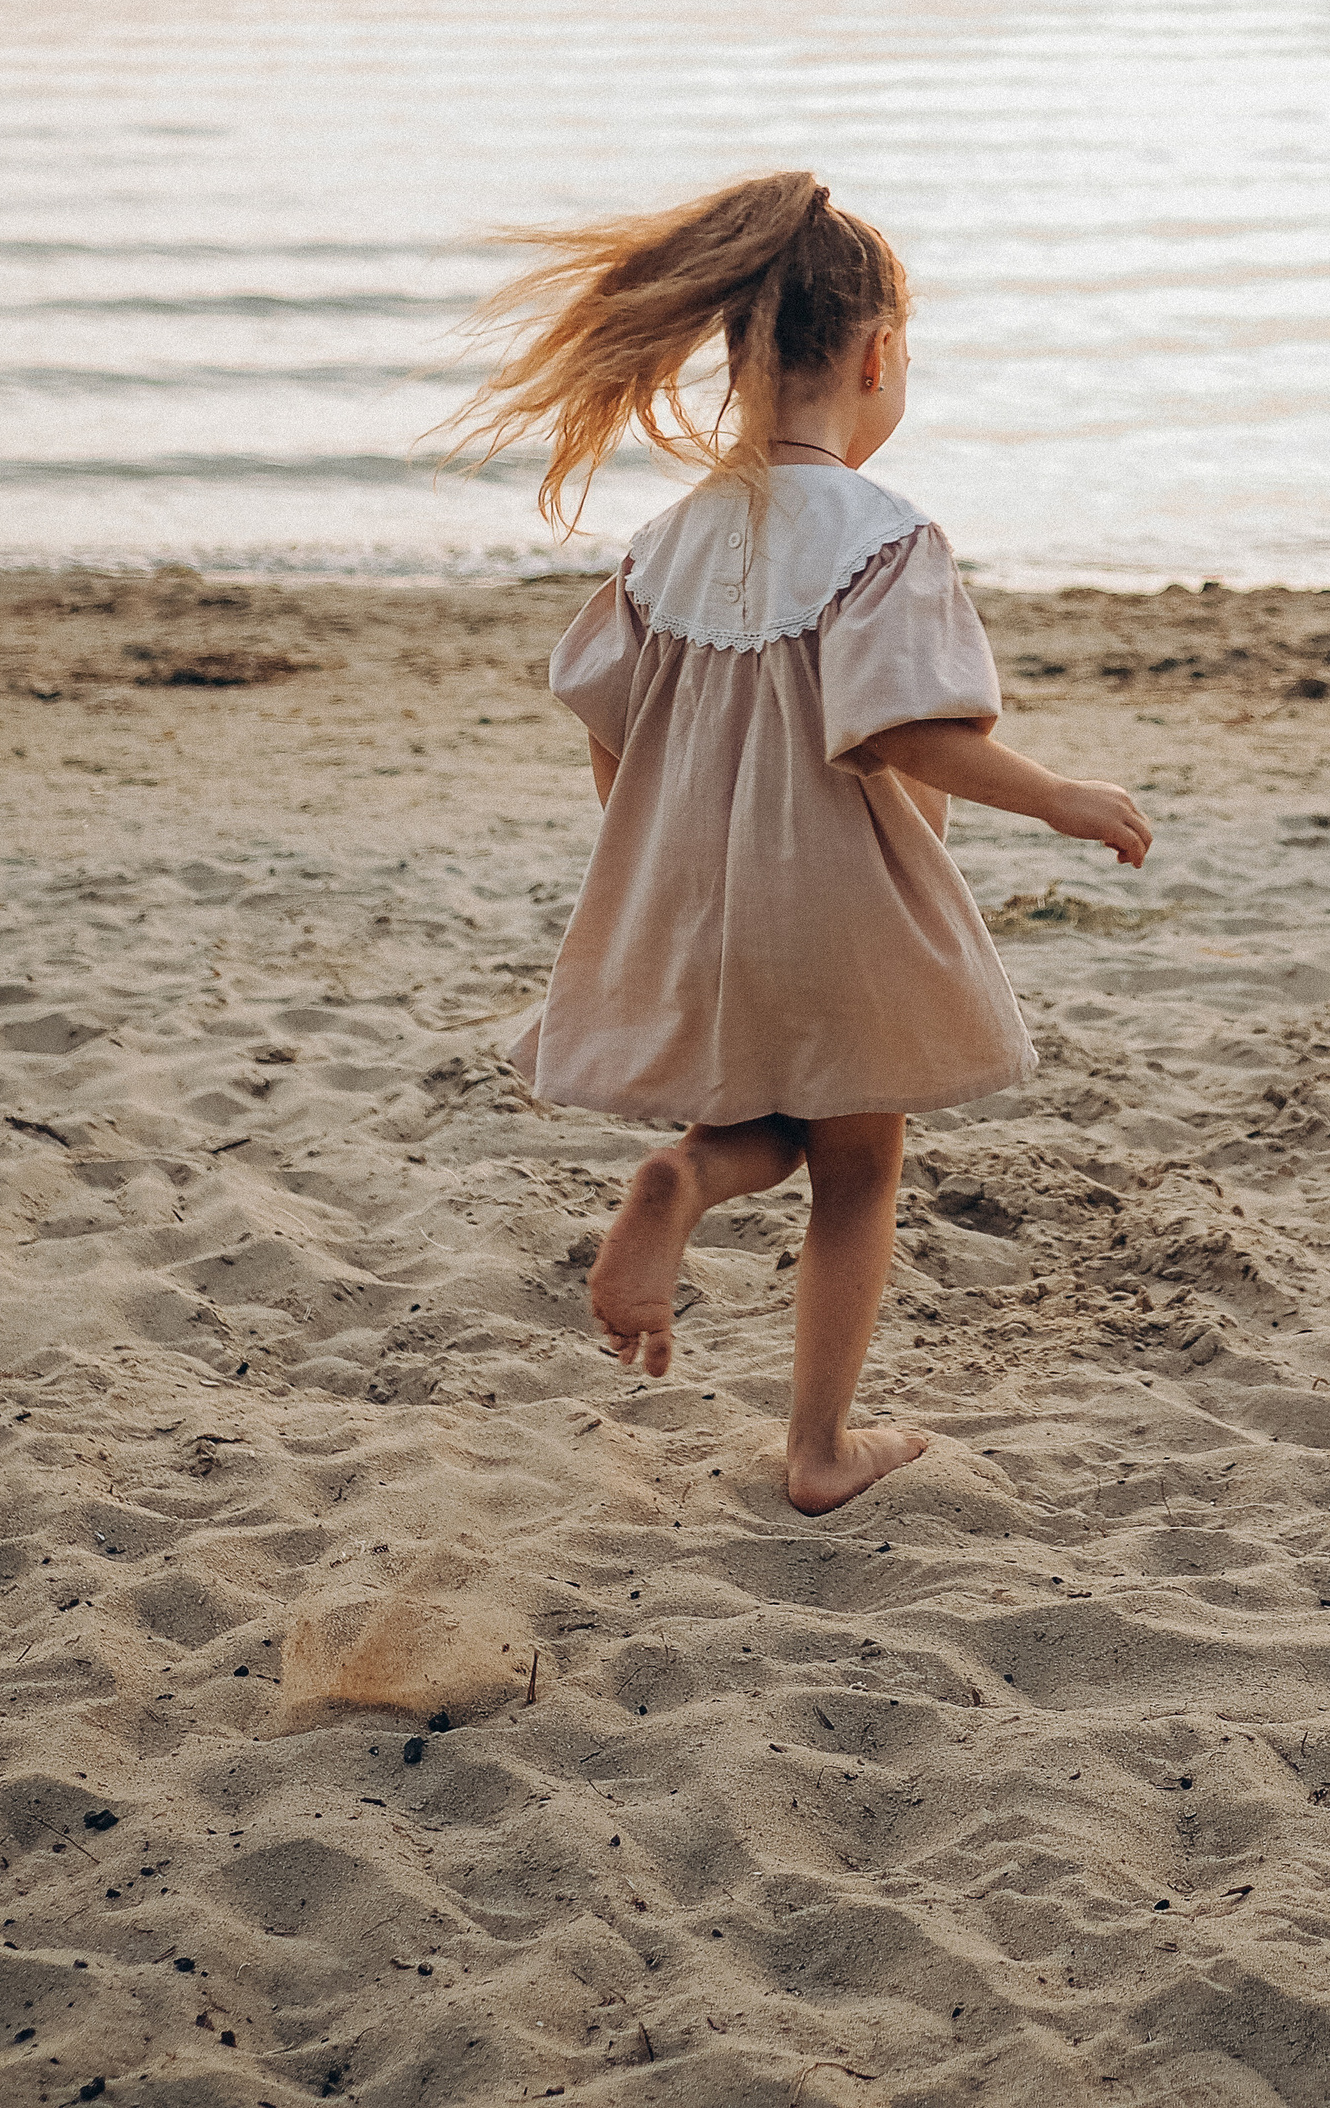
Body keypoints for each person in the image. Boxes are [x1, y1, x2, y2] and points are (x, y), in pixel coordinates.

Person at [448, 172, 1152, 1512]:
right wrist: (1058, 791)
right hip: (843, 904)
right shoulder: (881, 535)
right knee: (858, 1163)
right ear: (881, 355)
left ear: (735, 354)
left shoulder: (667, 542)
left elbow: (610, 722)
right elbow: (905, 734)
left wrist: (664, 845)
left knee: (755, 1117)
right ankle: (821, 1445)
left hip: (705, 901)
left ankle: (686, 1174)